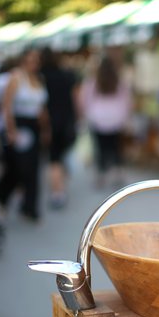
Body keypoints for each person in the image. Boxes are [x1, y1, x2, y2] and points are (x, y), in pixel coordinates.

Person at [0, 49, 50, 222]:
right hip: (19, 125)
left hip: (33, 126)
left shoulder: (39, 79)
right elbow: (7, 106)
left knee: (33, 168)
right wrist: (11, 130)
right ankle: (1, 198)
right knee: (17, 167)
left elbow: (41, 108)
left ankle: (30, 207)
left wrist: (45, 129)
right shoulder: (16, 77)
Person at [78, 55, 132, 188]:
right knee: (116, 148)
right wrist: (125, 117)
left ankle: (101, 176)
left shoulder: (92, 83)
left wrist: (86, 115)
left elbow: (84, 100)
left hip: (98, 119)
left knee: (101, 149)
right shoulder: (118, 83)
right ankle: (118, 173)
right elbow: (127, 101)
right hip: (116, 119)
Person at [40, 47, 79, 209]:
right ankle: (61, 187)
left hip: (50, 123)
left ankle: (57, 193)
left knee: (54, 159)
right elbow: (76, 98)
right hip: (67, 121)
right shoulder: (68, 75)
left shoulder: (41, 77)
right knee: (61, 156)